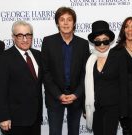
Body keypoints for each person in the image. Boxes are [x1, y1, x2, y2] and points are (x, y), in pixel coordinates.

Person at [41, 7, 90, 135]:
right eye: (62, 20)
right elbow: (45, 73)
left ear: (74, 23)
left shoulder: (83, 44)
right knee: (55, 132)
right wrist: (59, 95)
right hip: (55, 97)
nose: (66, 23)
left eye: (69, 19)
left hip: (76, 97)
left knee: (74, 132)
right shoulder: (48, 42)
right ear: (57, 23)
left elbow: (86, 74)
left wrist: (76, 94)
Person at [0, 20, 43, 135]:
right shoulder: (4, 58)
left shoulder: (38, 54)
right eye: (20, 35)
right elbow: (0, 90)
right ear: (13, 37)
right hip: (14, 121)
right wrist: (3, 117)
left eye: (28, 35)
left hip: (35, 119)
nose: (25, 39)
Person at [84, 20, 128, 135]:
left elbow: (124, 84)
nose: (102, 45)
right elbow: (85, 86)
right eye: (98, 42)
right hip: (95, 108)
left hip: (113, 107)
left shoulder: (118, 56)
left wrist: (123, 110)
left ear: (110, 40)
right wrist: (85, 108)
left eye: (105, 41)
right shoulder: (89, 60)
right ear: (93, 42)